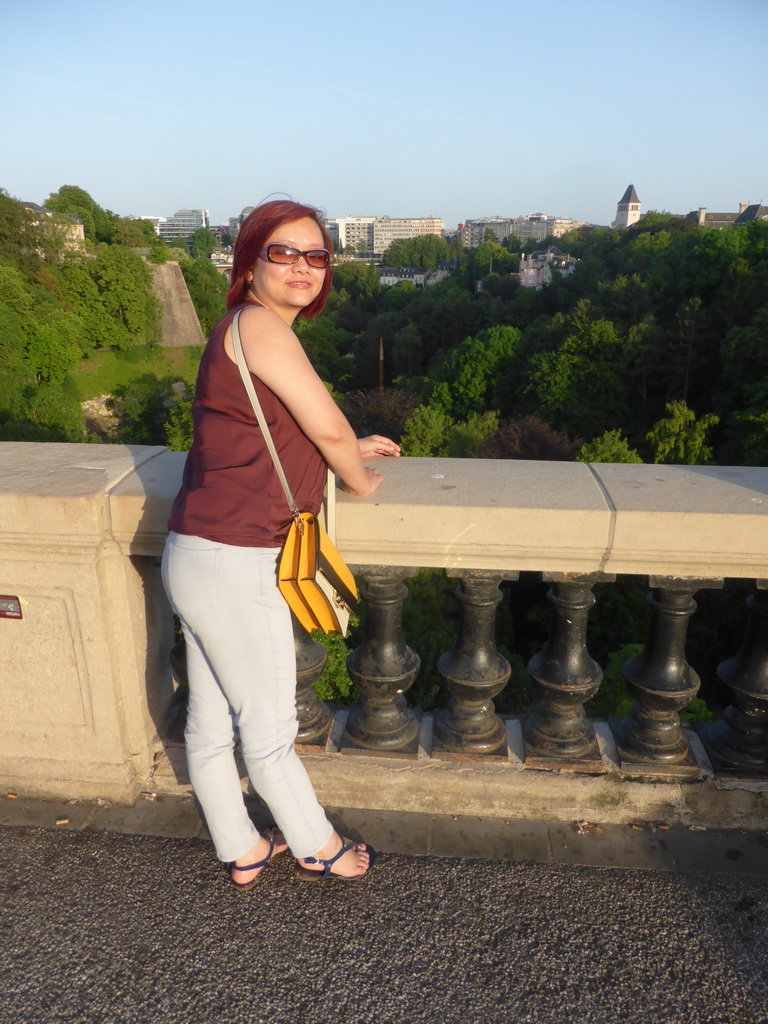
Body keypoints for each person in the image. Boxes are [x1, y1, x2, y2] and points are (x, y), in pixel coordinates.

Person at [162, 200, 400, 888]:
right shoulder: (262, 326)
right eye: (283, 253)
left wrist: (341, 446)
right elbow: (323, 426)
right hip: (238, 560)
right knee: (266, 731)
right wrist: (357, 476)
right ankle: (317, 846)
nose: (303, 267)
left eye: (316, 255)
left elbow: (279, 427)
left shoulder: (237, 327)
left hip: (198, 552)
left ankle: (240, 848)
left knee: (210, 722)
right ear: (250, 263)